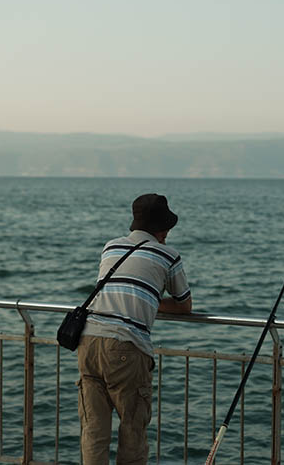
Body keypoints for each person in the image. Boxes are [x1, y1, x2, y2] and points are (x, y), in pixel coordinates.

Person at [77, 193, 192, 465]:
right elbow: (184, 305)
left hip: (89, 340)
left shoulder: (111, 247)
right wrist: (151, 299)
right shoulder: (168, 255)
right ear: (163, 229)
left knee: (94, 431)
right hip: (126, 346)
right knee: (133, 431)